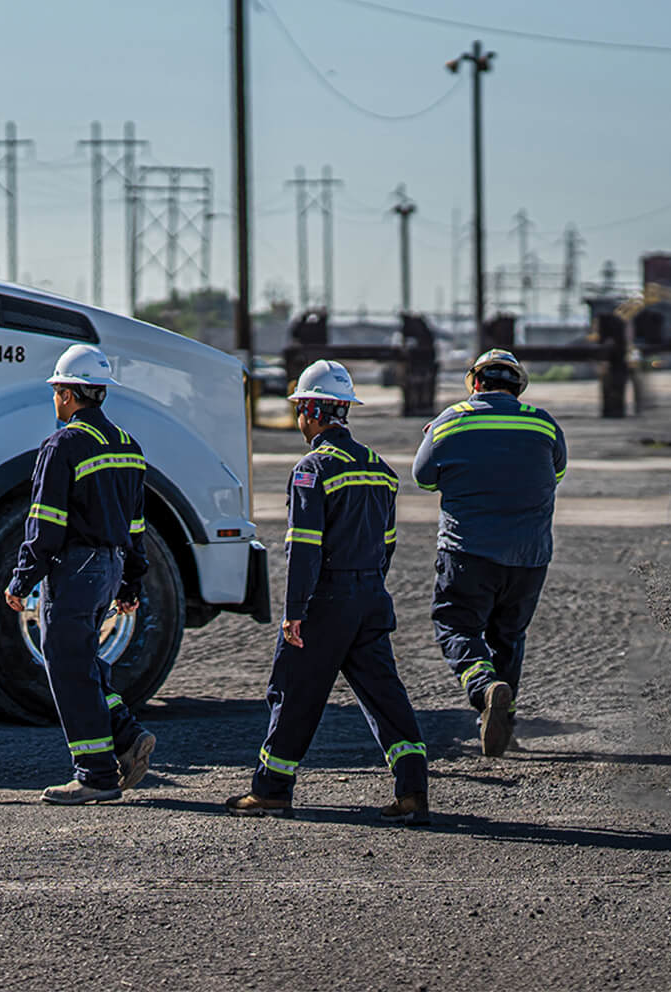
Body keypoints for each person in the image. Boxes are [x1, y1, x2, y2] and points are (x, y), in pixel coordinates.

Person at [227, 360, 430, 825]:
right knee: (385, 696)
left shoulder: (312, 469)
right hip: (370, 598)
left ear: (314, 412)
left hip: (326, 600)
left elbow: (305, 548)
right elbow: (388, 545)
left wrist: (295, 610)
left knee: (293, 692)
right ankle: (413, 788)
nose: (300, 418)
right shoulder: (380, 469)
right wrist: (369, 588)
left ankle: (272, 789)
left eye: (301, 408)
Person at [5, 342, 157, 804]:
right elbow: (136, 526)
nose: (55, 400)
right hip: (110, 567)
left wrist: (23, 579)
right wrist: (131, 582)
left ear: (69, 395)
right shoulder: (128, 446)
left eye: (56, 391)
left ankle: (95, 775)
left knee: (69, 669)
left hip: (75, 570)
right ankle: (127, 736)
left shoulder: (63, 444)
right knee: (86, 663)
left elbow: (46, 522)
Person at [413, 348, 567, 757]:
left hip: (469, 552)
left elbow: (423, 479)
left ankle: (484, 689)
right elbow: (557, 473)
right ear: (517, 387)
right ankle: (503, 720)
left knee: (455, 626)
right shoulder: (544, 424)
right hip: (530, 558)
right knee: (510, 637)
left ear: (475, 383)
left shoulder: (450, 422)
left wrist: (436, 437)